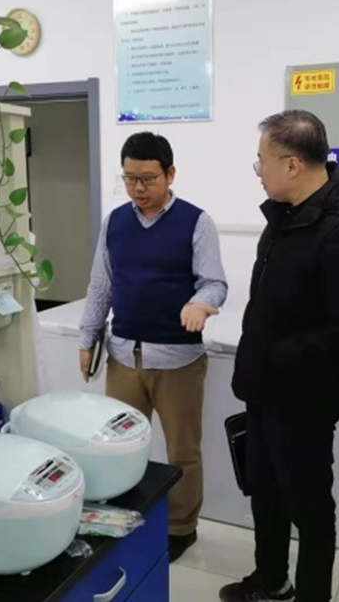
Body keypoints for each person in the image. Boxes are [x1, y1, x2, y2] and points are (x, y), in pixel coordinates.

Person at [220, 110, 339, 602]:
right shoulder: (282, 218)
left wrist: (281, 354)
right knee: (264, 491)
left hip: (303, 402)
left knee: (310, 509)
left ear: (291, 164)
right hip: (263, 391)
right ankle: (271, 581)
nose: (258, 171)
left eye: (261, 161)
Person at [79, 132, 228, 562]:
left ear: (170, 174)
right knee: (119, 447)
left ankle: (182, 527)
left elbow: (214, 283)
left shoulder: (196, 222)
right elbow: (101, 285)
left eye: (148, 179)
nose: (138, 188)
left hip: (178, 362)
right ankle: (125, 518)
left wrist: (200, 303)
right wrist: (88, 338)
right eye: (130, 179)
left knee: (183, 451)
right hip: (123, 357)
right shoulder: (115, 222)